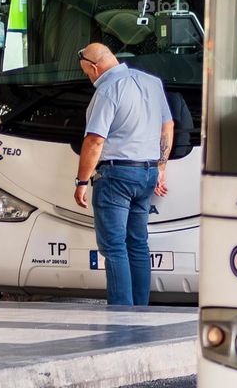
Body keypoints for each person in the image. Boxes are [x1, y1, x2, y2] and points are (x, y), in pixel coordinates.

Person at [74, 42, 174, 307]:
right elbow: (168, 125)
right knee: (138, 244)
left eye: (87, 73)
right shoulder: (152, 83)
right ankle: (140, 309)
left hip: (116, 176)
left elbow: (95, 140)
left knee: (115, 247)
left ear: (94, 67)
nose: (90, 78)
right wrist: (161, 166)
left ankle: (121, 312)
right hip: (148, 173)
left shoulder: (107, 90)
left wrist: (81, 181)